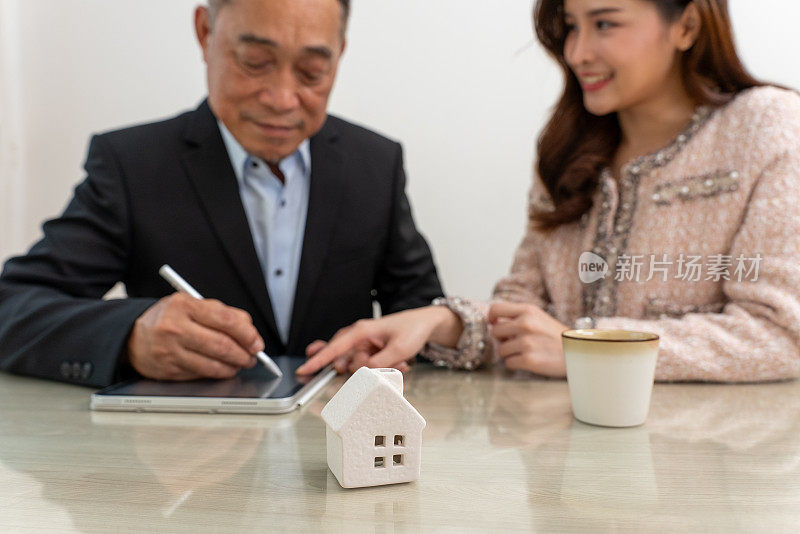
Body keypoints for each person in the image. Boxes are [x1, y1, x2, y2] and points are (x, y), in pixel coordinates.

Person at [298, 0, 800, 382]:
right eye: (571, 26)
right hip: (564, 473)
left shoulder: (766, 127)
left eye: (604, 23)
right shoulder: (568, 150)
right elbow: (525, 317)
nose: (577, 52)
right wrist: (433, 324)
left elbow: (781, 335)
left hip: (709, 484)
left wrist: (586, 348)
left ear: (686, 25)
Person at [0, 0, 442, 387]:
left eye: (312, 71)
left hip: (337, 453)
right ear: (205, 33)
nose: (283, 98)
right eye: (254, 60)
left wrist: (390, 348)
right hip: (184, 463)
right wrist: (131, 336)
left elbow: (425, 313)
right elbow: (13, 309)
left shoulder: (375, 165)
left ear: (340, 54)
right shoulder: (133, 165)